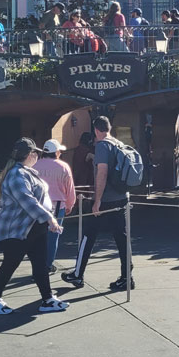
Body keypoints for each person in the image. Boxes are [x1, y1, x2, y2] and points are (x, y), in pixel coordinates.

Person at [0, 138, 68, 315]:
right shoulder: (17, 174)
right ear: (29, 154)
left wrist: (46, 219)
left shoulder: (26, 172)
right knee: (9, 265)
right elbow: (27, 201)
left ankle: (47, 299)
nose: (38, 155)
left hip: (33, 227)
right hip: (18, 229)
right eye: (35, 153)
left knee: (40, 264)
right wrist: (50, 218)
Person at [62, 116, 134, 291]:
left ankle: (78, 275)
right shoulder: (117, 143)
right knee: (122, 238)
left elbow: (101, 173)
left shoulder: (102, 145)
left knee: (88, 235)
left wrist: (97, 201)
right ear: (109, 127)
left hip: (106, 199)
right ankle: (127, 277)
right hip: (121, 197)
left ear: (96, 130)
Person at [33, 139, 76, 273]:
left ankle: (37, 266)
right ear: (56, 152)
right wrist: (70, 205)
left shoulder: (35, 166)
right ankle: (47, 265)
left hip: (37, 206)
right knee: (53, 237)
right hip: (57, 205)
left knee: (36, 238)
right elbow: (69, 189)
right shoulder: (63, 166)